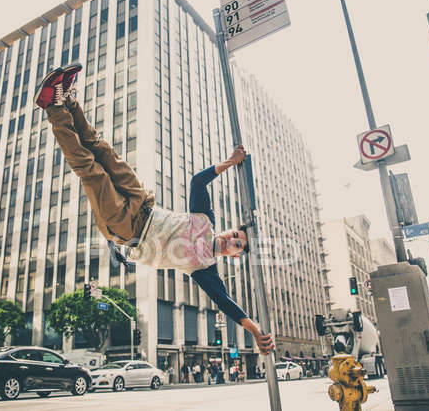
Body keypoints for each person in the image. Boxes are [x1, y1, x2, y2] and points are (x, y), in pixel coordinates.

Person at [35, 64, 274, 356]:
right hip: (142, 202)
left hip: (127, 227)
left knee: (90, 169)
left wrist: (255, 330)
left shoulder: (204, 268)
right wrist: (230, 161)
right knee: (103, 150)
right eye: (235, 234)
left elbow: (224, 301)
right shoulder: (206, 220)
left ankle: (53, 107)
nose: (232, 240)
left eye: (238, 245)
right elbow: (198, 182)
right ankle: (70, 102)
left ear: (235, 255)